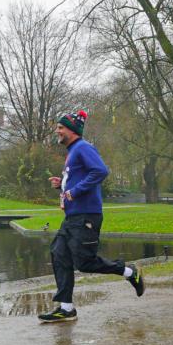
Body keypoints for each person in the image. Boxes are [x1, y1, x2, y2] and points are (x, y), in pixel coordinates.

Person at [38, 109, 145, 323]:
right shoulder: (73, 152)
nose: (57, 131)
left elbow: (100, 171)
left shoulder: (83, 148)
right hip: (73, 216)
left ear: (71, 130)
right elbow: (79, 179)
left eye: (60, 128)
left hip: (86, 215)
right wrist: (63, 185)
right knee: (59, 254)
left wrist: (74, 191)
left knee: (85, 262)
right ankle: (66, 308)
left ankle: (129, 272)